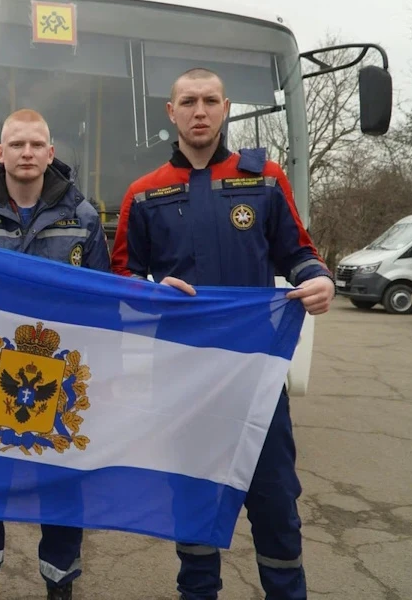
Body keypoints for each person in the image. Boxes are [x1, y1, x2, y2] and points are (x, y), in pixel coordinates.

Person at [111, 67, 335, 600]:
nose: (199, 111)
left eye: (210, 100)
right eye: (187, 101)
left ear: (226, 107)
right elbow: (120, 277)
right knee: (192, 500)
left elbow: (298, 252)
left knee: (275, 499)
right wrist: (149, 288)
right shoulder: (144, 194)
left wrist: (319, 278)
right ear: (171, 112)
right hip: (183, 376)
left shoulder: (264, 178)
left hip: (256, 371)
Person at [0, 108, 111, 600]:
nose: (27, 153)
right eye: (17, 145)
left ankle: (60, 586)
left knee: (61, 489)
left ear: (51, 153)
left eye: (37, 144)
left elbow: (102, 300)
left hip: (61, 381)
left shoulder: (83, 218)